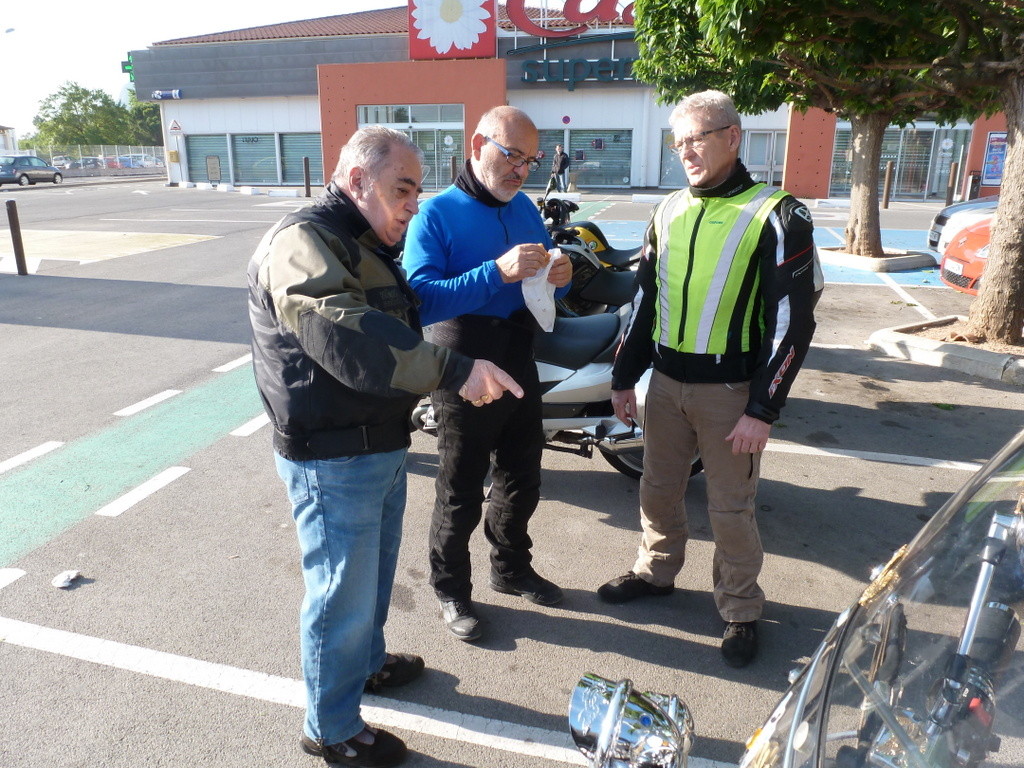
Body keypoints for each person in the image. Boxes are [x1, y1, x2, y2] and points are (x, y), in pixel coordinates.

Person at [247, 125, 522, 767]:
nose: (413, 204)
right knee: (340, 590)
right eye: (403, 188)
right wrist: (456, 371)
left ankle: (364, 664)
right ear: (356, 180)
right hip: (332, 454)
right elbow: (347, 334)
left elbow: (402, 310)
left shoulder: (359, 239)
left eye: (418, 190)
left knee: (368, 576)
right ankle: (331, 727)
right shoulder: (304, 242)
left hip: (377, 442)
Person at [597, 90, 821, 668]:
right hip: (665, 385)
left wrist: (763, 409)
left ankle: (742, 609)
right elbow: (644, 302)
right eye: (678, 142)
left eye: (697, 137)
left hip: (731, 395)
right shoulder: (668, 209)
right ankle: (655, 572)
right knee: (657, 488)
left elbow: (795, 324)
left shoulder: (779, 213)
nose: (686, 151)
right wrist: (624, 378)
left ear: (732, 136)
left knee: (730, 509)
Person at [403, 106, 573, 642]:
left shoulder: (525, 209)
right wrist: (493, 271)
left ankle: (510, 568)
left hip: (519, 357)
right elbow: (420, 300)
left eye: (530, 159)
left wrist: (561, 277)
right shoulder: (435, 215)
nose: (521, 170)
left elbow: (540, 288)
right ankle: (451, 589)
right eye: (511, 155)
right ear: (478, 144)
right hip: (464, 365)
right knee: (461, 488)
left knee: (523, 476)